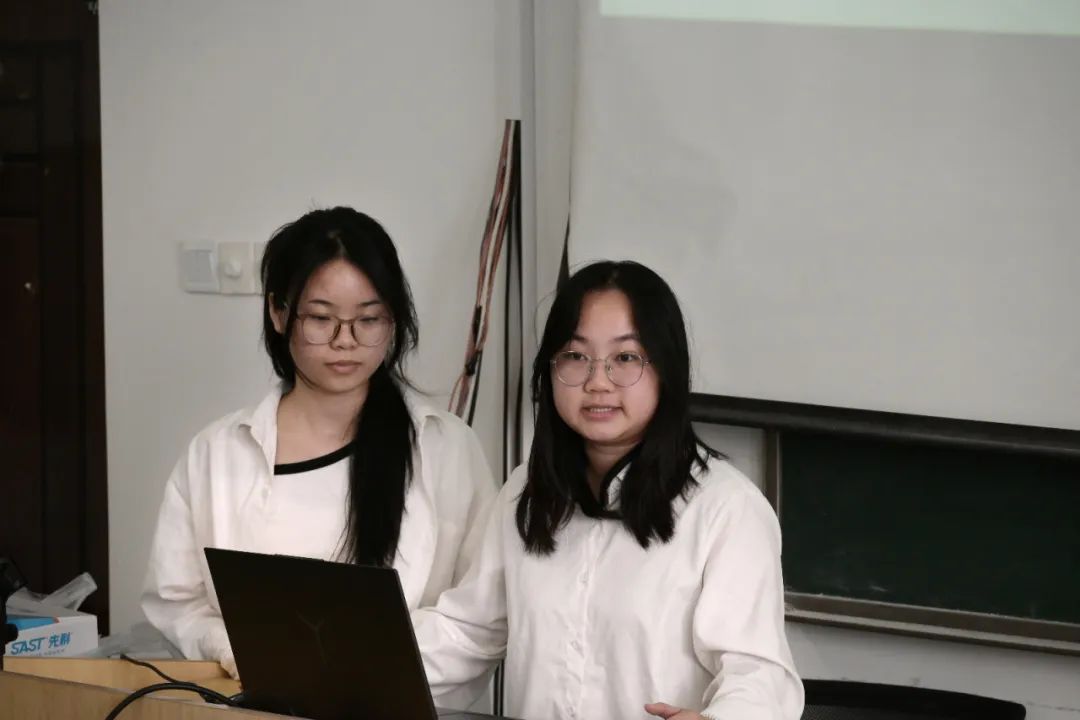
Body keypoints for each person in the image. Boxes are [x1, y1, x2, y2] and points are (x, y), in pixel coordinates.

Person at [414, 260, 803, 720]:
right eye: (575, 356)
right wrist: (353, 666)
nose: (597, 382)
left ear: (666, 369)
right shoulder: (528, 491)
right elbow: (469, 632)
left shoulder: (726, 509)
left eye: (626, 358)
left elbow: (759, 675)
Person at [142, 207, 497, 684]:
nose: (345, 341)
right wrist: (237, 648)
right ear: (278, 312)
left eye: (368, 319)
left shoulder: (446, 448)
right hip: (256, 707)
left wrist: (353, 662)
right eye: (321, 318)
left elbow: (480, 617)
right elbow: (176, 603)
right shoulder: (217, 454)